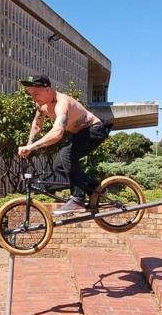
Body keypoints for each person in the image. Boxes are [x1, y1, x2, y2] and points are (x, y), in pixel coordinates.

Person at [17, 74, 112, 215]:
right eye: (31, 94)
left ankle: (77, 199)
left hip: (95, 130)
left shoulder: (62, 103)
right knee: (59, 165)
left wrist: (33, 146)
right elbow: (37, 125)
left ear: (47, 90)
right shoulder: (41, 105)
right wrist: (28, 144)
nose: (34, 98)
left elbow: (57, 133)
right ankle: (93, 186)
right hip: (80, 134)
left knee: (66, 154)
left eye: (36, 93)